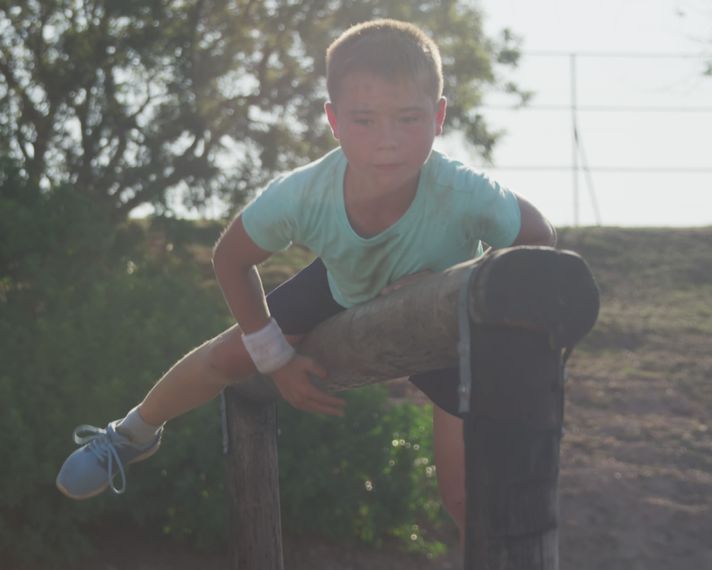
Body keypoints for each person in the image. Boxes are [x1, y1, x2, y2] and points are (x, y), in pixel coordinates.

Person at [55, 18, 556, 545]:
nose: (387, 141)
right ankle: (132, 434)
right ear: (333, 121)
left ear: (439, 116)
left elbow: (540, 238)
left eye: (409, 118)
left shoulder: (463, 191)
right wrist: (276, 359)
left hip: (447, 324)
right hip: (340, 285)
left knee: (464, 498)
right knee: (226, 358)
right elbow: (230, 258)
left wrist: (448, 286)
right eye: (364, 121)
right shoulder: (304, 194)